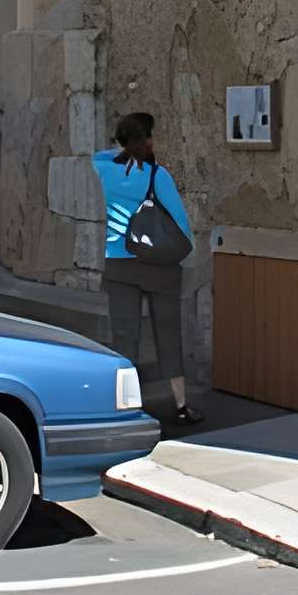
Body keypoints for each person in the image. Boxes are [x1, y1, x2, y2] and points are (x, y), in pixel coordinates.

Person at [91, 112, 203, 426]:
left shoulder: (106, 171)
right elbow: (181, 226)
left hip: (119, 264)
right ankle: (180, 404)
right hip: (158, 268)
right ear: (147, 140)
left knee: (125, 338)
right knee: (168, 334)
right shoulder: (158, 175)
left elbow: (101, 155)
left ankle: (124, 408)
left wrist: (126, 149)